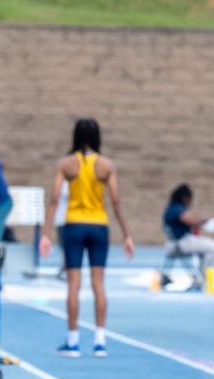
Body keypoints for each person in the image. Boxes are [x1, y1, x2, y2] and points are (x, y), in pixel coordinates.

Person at [39, 118, 134, 358]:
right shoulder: (105, 165)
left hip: (74, 224)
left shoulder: (67, 164)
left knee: (73, 283)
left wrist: (45, 234)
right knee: (98, 283)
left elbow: (54, 198)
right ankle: (100, 340)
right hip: (98, 225)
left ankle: (73, 341)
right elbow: (116, 201)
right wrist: (127, 235)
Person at [160, 184, 214, 291]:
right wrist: (208, 222)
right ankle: (204, 279)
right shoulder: (176, 209)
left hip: (174, 243)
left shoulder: (171, 208)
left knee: (205, 248)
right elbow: (191, 220)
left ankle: (201, 277)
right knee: (213, 247)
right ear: (185, 198)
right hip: (180, 243)